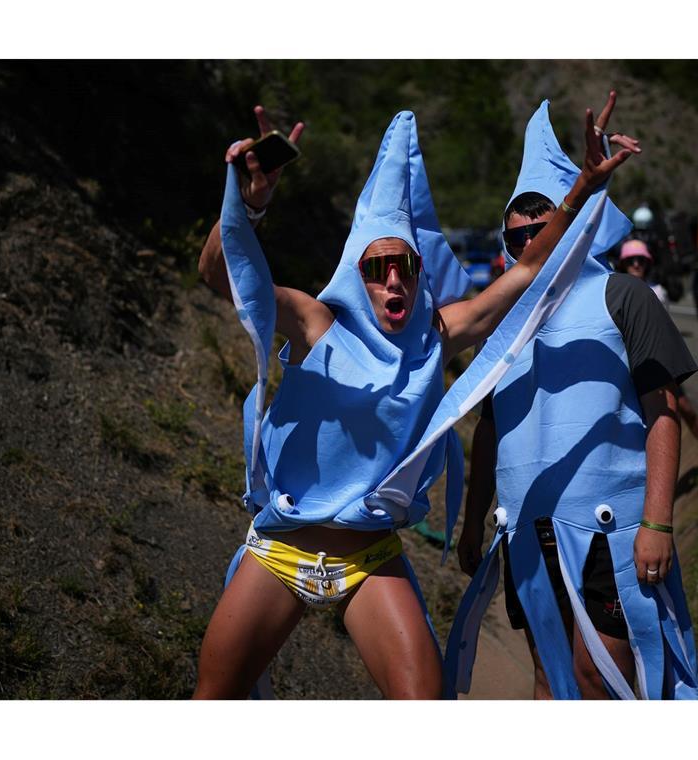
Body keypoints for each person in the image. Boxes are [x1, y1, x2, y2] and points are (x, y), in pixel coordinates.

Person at [192, 97, 638, 699]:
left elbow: (529, 270)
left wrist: (582, 185)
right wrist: (249, 203)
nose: (394, 279)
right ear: (358, 275)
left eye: (405, 265)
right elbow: (221, 275)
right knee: (212, 700)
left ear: (419, 270)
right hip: (280, 548)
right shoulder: (315, 323)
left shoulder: (438, 338)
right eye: (378, 269)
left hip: (369, 556)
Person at [447, 100, 698, 701]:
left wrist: (658, 522)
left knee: (601, 677)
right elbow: (491, 427)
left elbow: (662, 411)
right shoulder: (504, 319)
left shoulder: (623, 297)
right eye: (518, 234)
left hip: (607, 530)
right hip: (526, 533)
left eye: (543, 228)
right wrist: (473, 520)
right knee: (548, 675)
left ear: (574, 225)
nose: (532, 242)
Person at [618, 239, 698, 475]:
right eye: (631, 261)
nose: (636, 265)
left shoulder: (657, 292)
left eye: (641, 260)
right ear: (623, 264)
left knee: (685, 411)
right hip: (630, 370)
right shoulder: (616, 295)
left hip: (657, 367)